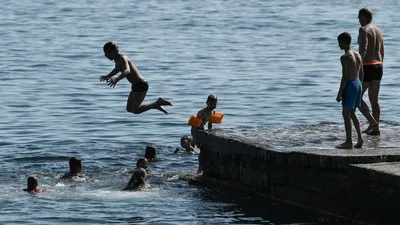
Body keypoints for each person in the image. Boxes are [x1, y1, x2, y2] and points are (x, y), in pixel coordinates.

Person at [99, 42, 172, 115]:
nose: (105, 55)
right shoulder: (117, 59)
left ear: (113, 51)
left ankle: (157, 103)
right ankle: (155, 105)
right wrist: (108, 76)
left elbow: (127, 71)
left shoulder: (122, 58)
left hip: (141, 85)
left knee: (135, 110)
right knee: (129, 109)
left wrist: (117, 79)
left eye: (106, 53)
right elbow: (117, 69)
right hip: (135, 85)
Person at [357, 8, 383, 135]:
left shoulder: (363, 29)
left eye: (359, 17)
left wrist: (358, 67)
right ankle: (376, 129)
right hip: (378, 66)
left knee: (357, 97)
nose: (358, 20)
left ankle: (372, 122)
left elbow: (363, 49)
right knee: (374, 99)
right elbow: (382, 51)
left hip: (367, 66)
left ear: (363, 17)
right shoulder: (378, 31)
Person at [335, 32, 364, 149]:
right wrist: (359, 87)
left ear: (343, 42)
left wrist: (339, 93)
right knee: (352, 113)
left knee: (346, 114)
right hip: (358, 83)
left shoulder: (345, 57)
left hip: (351, 84)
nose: (338, 45)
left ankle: (348, 141)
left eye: (339, 43)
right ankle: (360, 138)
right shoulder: (358, 55)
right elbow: (362, 74)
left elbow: (345, 76)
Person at [191, 94, 218, 173]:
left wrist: (210, 133)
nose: (212, 106)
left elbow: (210, 123)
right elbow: (194, 125)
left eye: (214, 104)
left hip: (202, 129)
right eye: (210, 104)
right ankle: (200, 168)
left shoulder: (213, 112)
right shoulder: (202, 112)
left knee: (205, 150)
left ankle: (204, 166)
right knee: (202, 150)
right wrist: (194, 138)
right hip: (196, 130)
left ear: (217, 103)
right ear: (206, 102)